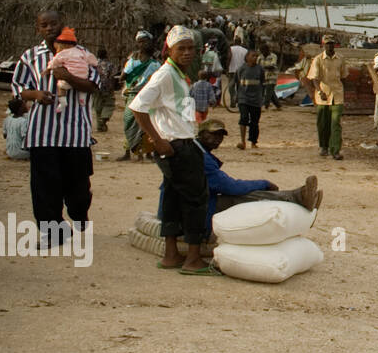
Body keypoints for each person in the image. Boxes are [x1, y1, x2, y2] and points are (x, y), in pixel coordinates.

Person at [129, 25, 215, 275]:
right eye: (181, 49)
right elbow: (138, 107)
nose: (187, 53)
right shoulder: (165, 74)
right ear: (170, 50)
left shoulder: (178, 75)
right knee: (195, 200)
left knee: (172, 198)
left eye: (191, 48)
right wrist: (156, 139)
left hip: (180, 142)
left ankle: (171, 255)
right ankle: (193, 259)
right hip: (177, 145)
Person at [10, 10, 101, 244]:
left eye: (54, 23)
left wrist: (68, 77)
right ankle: (54, 231)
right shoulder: (30, 56)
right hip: (42, 132)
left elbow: (94, 85)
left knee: (79, 188)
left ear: (63, 24)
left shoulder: (82, 54)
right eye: (44, 25)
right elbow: (19, 89)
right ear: (38, 29)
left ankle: (79, 212)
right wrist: (36, 94)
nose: (50, 28)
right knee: (44, 188)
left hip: (76, 133)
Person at [190, 119, 321, 217]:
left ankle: (297, 197)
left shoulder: (196, 151)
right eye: (213, 134)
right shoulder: (201, 158)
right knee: (241, 196)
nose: (217, 139)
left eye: (220, 136)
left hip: (196, 203)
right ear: (201, 134)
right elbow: (230, 186)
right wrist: (263, 183)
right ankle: (296, 198)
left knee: (242, 193)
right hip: (197, 208)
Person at [118, 31, 161, 161]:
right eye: (141, 41)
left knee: (147, 124)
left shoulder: (155, 63)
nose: (143, 44)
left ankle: (147, 152)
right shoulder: (133, 60)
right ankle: (129, 151)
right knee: (129, 121)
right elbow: (122, 77)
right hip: (132, 95)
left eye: (145, 41)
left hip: (148, 96)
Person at [307, 34, 348, 160]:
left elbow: (344, 76)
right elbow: (314, 78)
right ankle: (323, 146)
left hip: (337, 95)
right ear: (323, 45)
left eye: (331, 43)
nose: (329, 46)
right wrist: (320, 91)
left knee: (336, 123)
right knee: (323, 123)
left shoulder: (340, 59)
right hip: (323, 96)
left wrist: (342, 90)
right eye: (327, 43)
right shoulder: (318, 59)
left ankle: (335, 150)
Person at [46, 27, 99, 114]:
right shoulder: (82, 51)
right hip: (83, 76)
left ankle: (63, 102)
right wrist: (95, 63)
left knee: (61, 87)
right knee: (83, 88)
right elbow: (92, 60)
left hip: (69, 76)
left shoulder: (62, 53)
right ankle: (82, 99)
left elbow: (54, 62)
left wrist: (48, 69)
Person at [235, 49, 265, 150]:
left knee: (254, 122)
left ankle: (253, 142)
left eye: (256, 56)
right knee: (243, 119)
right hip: (243, 98)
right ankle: (242, 141)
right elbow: (237, 83)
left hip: (256, 100)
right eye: (253, 56)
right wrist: (237, 97)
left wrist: (262, 97)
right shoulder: (241, 69)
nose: (255, 58)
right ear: (247, 57)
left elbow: (262, 82)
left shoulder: (260, 69)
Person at [92, 47, 120, 132]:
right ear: (106, 55)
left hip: (96, 87)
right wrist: (115, 86)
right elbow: (114, 76)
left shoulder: (94, 64)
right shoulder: (110, 64)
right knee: (109, 104)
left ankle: (100, 126)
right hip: (108, 87)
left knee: (98, 106)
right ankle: (104, 118)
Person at [224, 40, 248, 109]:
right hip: (242, 71)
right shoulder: (245, 50)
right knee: (240, 87)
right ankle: (239, 102)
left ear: (234, 42)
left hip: (232, 70)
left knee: (231, 87)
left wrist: (227, 68)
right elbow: (247, 61)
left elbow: (228, 57)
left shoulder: (230, 49)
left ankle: (233, 101)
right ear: (240, 43)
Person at [258, 42, 281, 110]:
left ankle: (265, 106)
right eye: (261, 51)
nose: (262, 52)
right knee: (271, 92)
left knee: (268, 92)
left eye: (263, 50)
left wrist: (262, 67)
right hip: (263, 77)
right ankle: (278, 105)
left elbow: (272, 66)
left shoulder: (273, 56)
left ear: (267, 50)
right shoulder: (260, 57)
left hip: (272, 76)